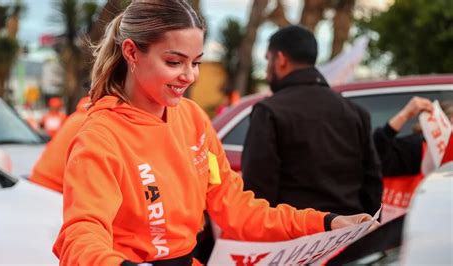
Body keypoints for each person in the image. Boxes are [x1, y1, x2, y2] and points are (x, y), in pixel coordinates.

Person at [52, 3, 376, 265]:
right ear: (132, 53)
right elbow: (82, 236)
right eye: (174, 61)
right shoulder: (101, 135)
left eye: (196, 62)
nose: (189, 76)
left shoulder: (192, 119)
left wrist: (326, 223)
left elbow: (235, 207)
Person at [242, 25, 382, 216]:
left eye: (268, 60)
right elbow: (372, 183)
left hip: (293, 239)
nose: (267, 71)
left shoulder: (269, 111)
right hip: (349, 236)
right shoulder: (355, 112)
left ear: (281, 59)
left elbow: (259, 194)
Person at [28, 96, 90, 192]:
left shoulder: (69, 117)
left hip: (45, 179)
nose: (55, 107)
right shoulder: (48, 116)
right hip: (56, 188)